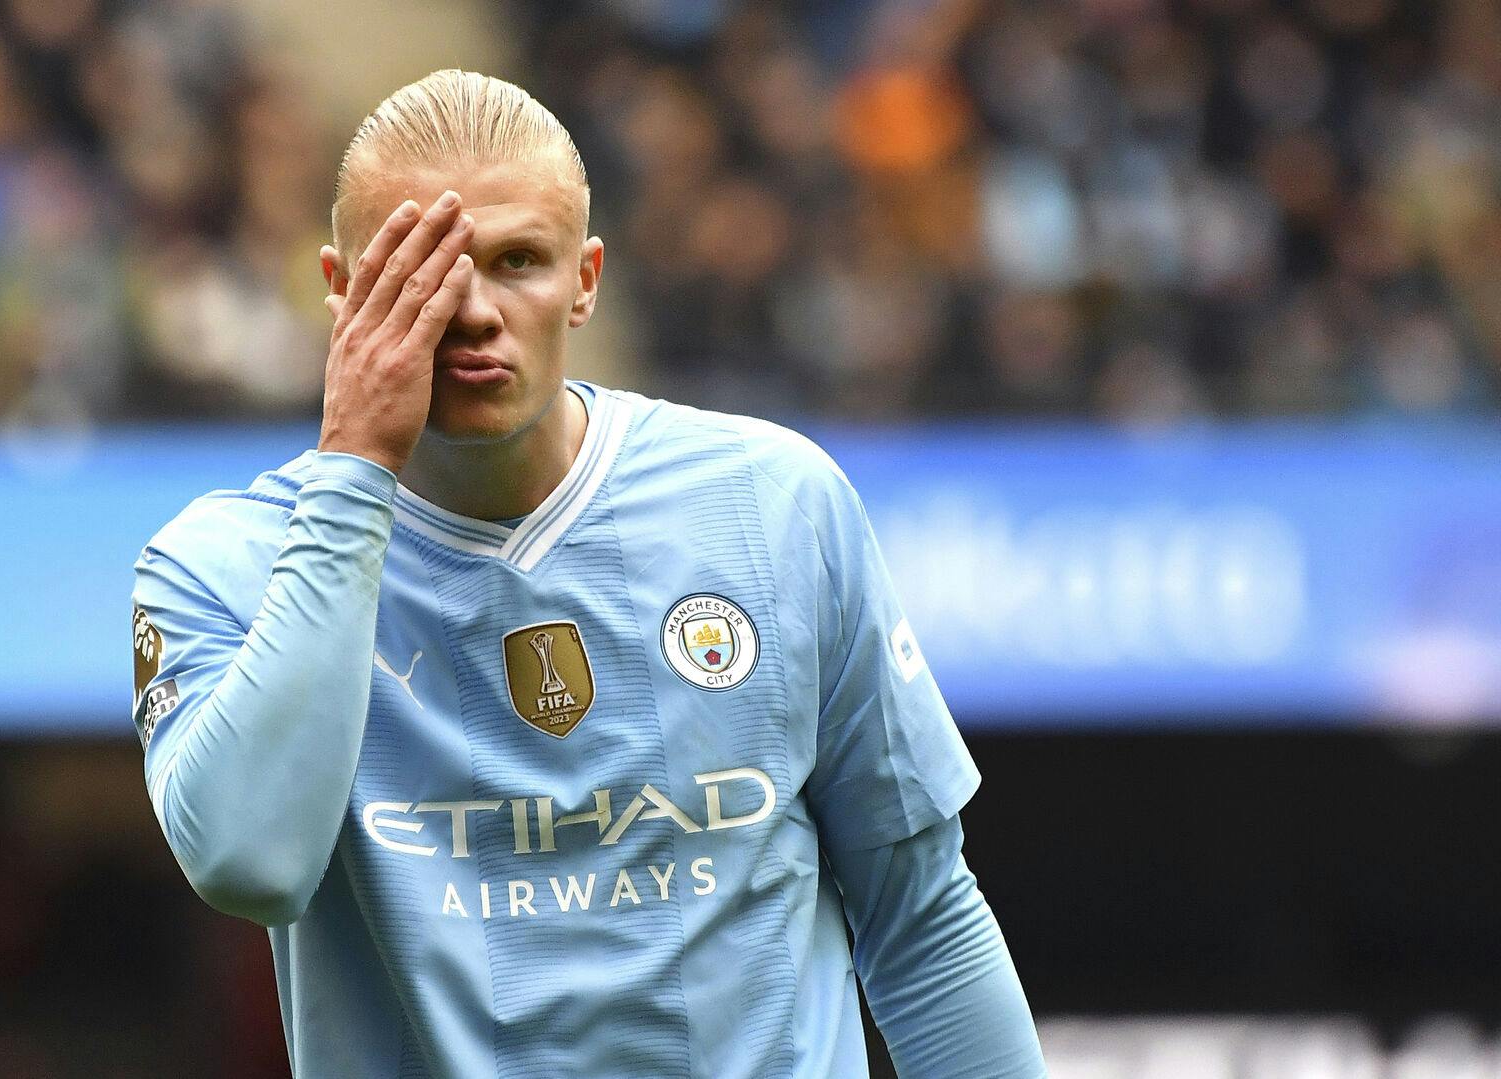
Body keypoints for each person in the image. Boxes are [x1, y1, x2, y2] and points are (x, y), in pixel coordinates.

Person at [132, 69, 1046, 1078]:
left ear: (586, 278)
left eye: (516, 258)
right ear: (342, 290)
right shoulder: (227, 563)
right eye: (419, 269)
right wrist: (354, 469)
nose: (471, 309)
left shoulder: (776, 505)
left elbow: (922, 917)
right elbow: (250, 863)